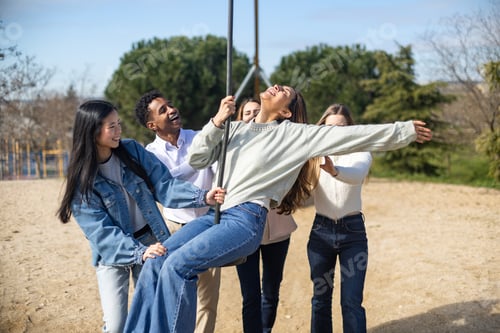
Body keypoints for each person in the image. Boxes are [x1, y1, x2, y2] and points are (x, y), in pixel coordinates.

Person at [124, 84, 432, 333]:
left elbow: (353, 135)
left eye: (283, 91)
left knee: (180, 266)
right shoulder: (236, 130)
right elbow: (199, 157)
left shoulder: (293, 135)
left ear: (284, 110)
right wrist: (218, 121)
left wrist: (402, 131)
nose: (275, 87)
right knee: (157, 259)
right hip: (218, 214)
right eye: (276, 85)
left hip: (245, 220)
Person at [56, 100, 225, 333]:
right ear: (93, 131)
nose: (118, 131)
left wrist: (202, 197)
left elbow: (164, 185)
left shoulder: (132, 151)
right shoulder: (82, 180)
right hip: (112, 254)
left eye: (118, 124)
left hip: (151, 243)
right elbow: (100, 231)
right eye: (111, 127)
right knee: (116, 325)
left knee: (152, 314)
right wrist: (137, 252)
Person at [135, 90, 221, 333]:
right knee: (179, 294)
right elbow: (166, 184)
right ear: (152, 124)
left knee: (207, 300)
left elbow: (218, 166)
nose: (172, 110)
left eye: (170, 105)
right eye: (163, 110)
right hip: (175, 229)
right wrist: (198, 162)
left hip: (208, 225)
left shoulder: (199, 138)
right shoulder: (150, 154)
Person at [234, 96, 306, 333]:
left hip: (278, 230)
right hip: (244, 231)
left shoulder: (280, 143)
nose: (253, 115)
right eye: (247, 113)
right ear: (240, 119)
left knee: (271, 291)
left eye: (258, 111)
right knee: (250, 294)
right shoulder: (233, 149)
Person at [307, 104, 373, 333]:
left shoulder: (360, 151)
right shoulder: (312, 154)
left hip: (353, 233)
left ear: (349, 128)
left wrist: (334, 170)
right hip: (321, 232)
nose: (335, 131)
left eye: (341, 127)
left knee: (351, 302)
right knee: (320, 299)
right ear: (322, 128)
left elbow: (357, 175)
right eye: (330, 127)